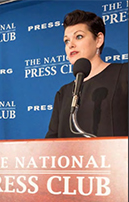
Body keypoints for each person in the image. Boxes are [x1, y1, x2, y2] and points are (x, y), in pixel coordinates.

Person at [45, 9, 128, 138]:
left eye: (79, 37)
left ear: (98, 40)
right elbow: (51, 142)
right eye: (66, 41)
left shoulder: (124, 74)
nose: (71, 45)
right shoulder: (64, 93)